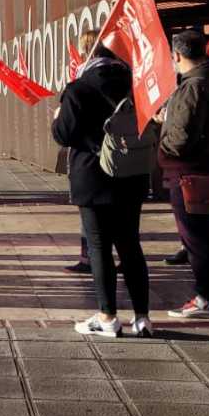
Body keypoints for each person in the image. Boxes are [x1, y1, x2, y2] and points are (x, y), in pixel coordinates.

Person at [51, 31, 152, 338]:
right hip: (131, 172)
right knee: (130, 245)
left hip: (93, 177)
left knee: (99, 247)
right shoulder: (134, 83)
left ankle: (107, 316)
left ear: (86, 55)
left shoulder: (78, 88)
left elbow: (63, 135)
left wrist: (57, 117)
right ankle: (143, 318)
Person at [159, 30, 209, 318]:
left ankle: (206, 296)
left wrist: (163, 144)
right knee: (208, 235)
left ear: (177, 56)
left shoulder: (194, 86)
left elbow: (181, 137)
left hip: (189, 171)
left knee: (195, 238)